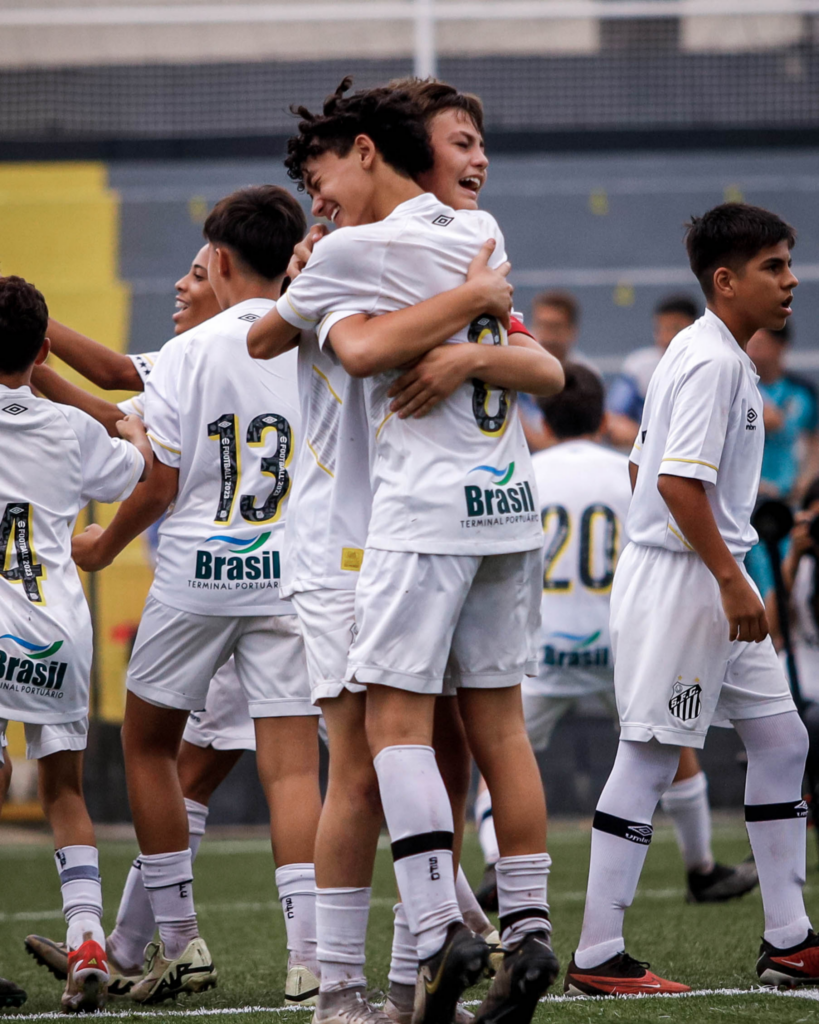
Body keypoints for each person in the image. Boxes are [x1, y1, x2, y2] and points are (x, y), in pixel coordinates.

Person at [248, 80, 564, 1024]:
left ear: (368, 150)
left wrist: (460, 338)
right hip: (479, 511)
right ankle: (502, 937)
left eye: (322, 176)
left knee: (382, 749)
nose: (318, 198)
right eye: (460, 142)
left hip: (400, 523)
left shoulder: (355, 252)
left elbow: (336, 345)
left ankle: (420, 945)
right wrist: (470, 307)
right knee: (444, 743)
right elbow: (284, 333)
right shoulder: (477, 238)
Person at [24, 248, 301, 1001]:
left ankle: (169, 943)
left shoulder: (193, 358)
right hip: (284, 582)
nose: (181, 284)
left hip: (205, 585)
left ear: (231, 272)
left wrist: (107, 545)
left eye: (197, 272)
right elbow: (115, 388)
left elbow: (145, 456)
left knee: (181, 766)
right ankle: (131, 944)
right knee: (205, 775)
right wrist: (29, 353)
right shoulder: (269, 348)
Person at [565, 203, 817, 995]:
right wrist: (725, 577)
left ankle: (789, 938)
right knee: (646, 754)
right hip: (687, 583)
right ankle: (598, 953)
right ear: (725, 279)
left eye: (787, 263)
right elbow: (672, 484)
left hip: (702, 575)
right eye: (773, 266)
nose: (790, 280)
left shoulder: (702, 353)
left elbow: (646, 469)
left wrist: (720, 570)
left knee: (780, 743)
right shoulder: (709, 362)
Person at [473, 364, 758, 908]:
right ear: (604, 416)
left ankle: (496, 861)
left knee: (499, 755)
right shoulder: (626, 469)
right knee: (671, 744)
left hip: (543, 648)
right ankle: (701, 867)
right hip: (618, 643)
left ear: (544, 416)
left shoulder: (524, 471)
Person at [0, 275, 150, 1010]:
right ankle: (89, 937)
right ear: (43, 346)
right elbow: (138, 452)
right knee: (65, 790)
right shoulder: (70, 428)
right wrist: (74, 393)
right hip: (58, 626)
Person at [606, 295, 699, 450]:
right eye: (660, 329)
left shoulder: (710, 365)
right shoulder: (639, 366)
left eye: (675, 328)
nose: (666, 337)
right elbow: (613, 417)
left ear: (694, 328)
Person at [520, 290, 594, 451]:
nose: (547, 337)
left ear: (572, 330)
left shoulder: (587, 377)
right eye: (541, 325)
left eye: (555, 327)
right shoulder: (513, 369)